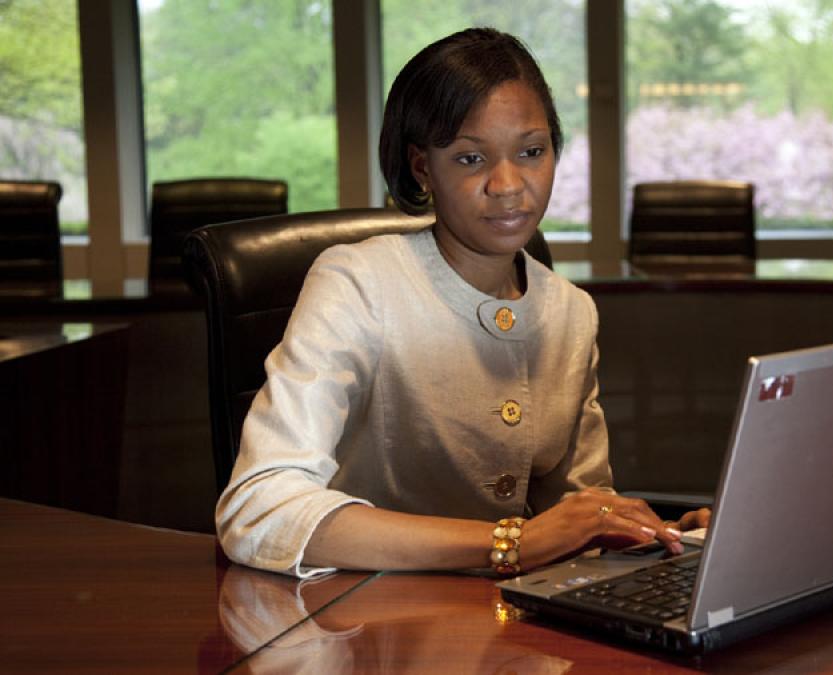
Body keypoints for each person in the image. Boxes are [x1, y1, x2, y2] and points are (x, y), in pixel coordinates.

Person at [215, 27, 709, 578]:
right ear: (422, 167)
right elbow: (259, 509)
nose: (508, 185)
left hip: (509, 635)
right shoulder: (357, 283)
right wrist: (509, 542)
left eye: (531, 151)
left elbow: (575, 517)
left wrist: (650, 540)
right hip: (359, 627)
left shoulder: (571, 311)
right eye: (471, 158)